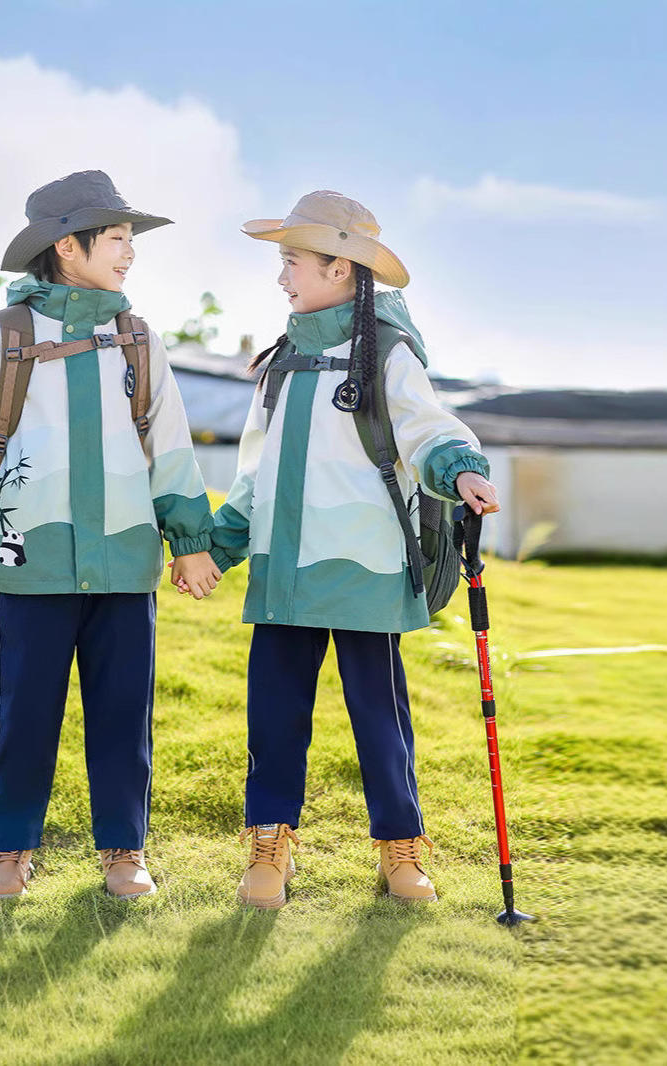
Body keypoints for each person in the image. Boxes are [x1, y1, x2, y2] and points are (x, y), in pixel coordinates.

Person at [0, 170, 220, 900]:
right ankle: (9, 852)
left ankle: (123, 852)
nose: (129, 253)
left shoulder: (139, 341)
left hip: (123, 559)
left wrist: (189, 539)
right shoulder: (5, 337)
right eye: (116, 239)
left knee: (121, 719)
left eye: (130, 240)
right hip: (29, 559)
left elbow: (170, 448)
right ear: (67, 247)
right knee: (25, 717)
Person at [206, 190, 499, 909]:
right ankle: (269, 848)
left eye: (291, 262)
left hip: (367, 564)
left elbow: (426, 427)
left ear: (340, 268)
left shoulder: (388, 353)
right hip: (283, 565)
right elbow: (253, 473)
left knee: (380, 717)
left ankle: (401, 851)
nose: (281, 278)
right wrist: (216, 545)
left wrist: (460, 465)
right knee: (274, 716)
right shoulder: (279, 363)